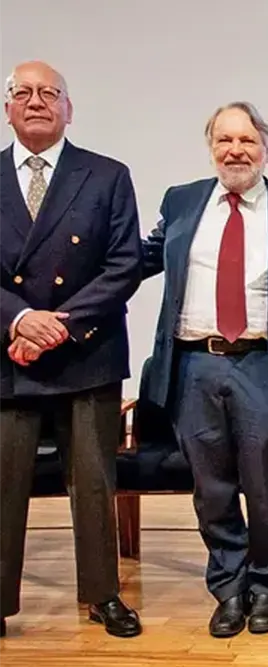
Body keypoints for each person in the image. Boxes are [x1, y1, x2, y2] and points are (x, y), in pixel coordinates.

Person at [141, 101, 268, 638]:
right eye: (224, 140)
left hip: (262, 364)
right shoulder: (182, 201)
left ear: (265, 148)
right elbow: (145, 258)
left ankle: (267, 582)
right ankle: (228, 585)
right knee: (212, 487)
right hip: (194, 362)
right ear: (210, 147)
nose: (235, 150)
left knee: (265, 484)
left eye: (246, 141)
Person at [0, 60, 143, 640]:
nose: (37, 101)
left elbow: (124, 264)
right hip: (9, 355)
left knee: (92, 484)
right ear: (8, 107)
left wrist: (58, 325)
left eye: (49, 93)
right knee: (3, 485)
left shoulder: (106, 174)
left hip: (87, 354)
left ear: (68, 109)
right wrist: (21, 319)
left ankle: (103, 596)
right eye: (24, 93)